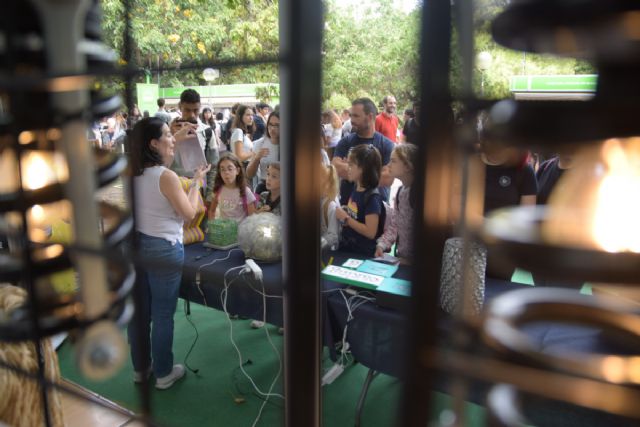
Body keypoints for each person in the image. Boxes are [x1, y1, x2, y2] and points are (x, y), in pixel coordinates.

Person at [128, 117, 210, 390]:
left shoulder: (130, 171)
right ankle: (164, 373)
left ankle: (141, 369)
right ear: (153, 143)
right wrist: (197, 182)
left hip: (136, 246)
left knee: (140, 312)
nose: (173, 139)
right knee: (163, 314)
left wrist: (178, 136)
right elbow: (189, 215)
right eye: (168, 135)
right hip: (164, 248)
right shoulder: (166, 176)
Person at [332, 98, 395, 205]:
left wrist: (351, 169)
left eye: (356, 116)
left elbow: (387, 178)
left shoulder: (386, 144)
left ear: (370, 117)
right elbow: (335, 168)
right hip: (347, 206)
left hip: (376, 208)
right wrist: (373, 171)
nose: (351, 120)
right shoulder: (345, 142)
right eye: (351, 115)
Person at [169, 89, 219, 201]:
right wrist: (171, 135)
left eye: (196, 110)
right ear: (180, 107)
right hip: (174, 186)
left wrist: (209, 196)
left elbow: (213, 166)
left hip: (200, 187)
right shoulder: (166, 131)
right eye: (187, 110)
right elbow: (159, 162)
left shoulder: (207, 132)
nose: (192, 115)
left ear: (200, 107)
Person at [335, 144, 384, 257]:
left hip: (362, 253)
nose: (348, 168)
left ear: (363, 169)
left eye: (351, 165)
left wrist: (346, 218)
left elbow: (370, 232)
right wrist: (347, 210)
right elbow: (357, 213)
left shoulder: (372, 197)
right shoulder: (356, 187)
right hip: (349, 247)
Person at [375, 143, 418, 264]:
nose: (388, 165)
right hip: (401, 259)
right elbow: (394, 225)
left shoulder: (419, 195)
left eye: (393, 161)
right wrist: (382, 245)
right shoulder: (400, 192)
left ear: (408, 166)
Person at [207, 152, 256, 222]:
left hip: (241, 231)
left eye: (230, 169)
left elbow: (252, 218)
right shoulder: (218, 190)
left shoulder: (245, 191)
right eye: (222, 169)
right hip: (224, 232)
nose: (226, 172)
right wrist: (212, 227)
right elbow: (211, 211)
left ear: (237, 171)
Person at [246, 111, 280, 194]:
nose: (272, 128)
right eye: (270, 124)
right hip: (264, 188)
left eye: (277, 125)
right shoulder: (260, 143)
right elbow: (249, 174)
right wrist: (257, 158)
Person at [320, 163, 341, 251]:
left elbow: (334, 236)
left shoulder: (331, 205)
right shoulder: (321, 199)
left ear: (328, 184)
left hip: (329, 252)